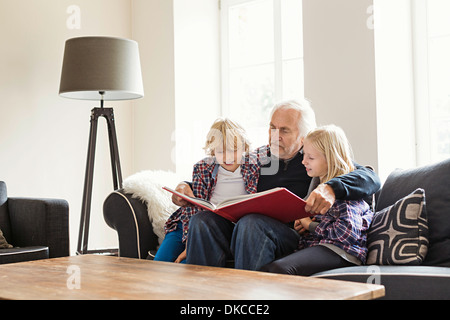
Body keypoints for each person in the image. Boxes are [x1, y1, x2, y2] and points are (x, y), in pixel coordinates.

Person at [172, 99, 381, 271]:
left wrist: (331, 187)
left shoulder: (314, 159)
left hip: (289, 236)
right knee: (203, 220)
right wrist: (185, 185)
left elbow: (370, 177)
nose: (275, 135)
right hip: (242, 230)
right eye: (272, 127)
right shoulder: (257, 158)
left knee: (251, 223)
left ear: (303, 136)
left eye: (284, 130)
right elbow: (224, 173)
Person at [261, 125, 374, 276]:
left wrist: (310, 225)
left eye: (311, 158)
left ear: (331, 159)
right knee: (266, 270)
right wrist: (302, 223)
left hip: (342, 252)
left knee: (280, 270)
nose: (303, 162)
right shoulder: (317, 185)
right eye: (304, 155)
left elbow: (347, 233)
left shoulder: (344, 190)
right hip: (320, 246)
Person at [154, 118, 260, 263]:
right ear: (212, 151)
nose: (228, 157)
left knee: (187, 264)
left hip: (216, 227)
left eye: (233, 150)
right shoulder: (203, 168)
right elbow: (194, 209)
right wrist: (190, 242)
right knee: (161, 260)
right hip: (187, 223)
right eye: (221, 151)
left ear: (244, 147)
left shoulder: (253, 167)